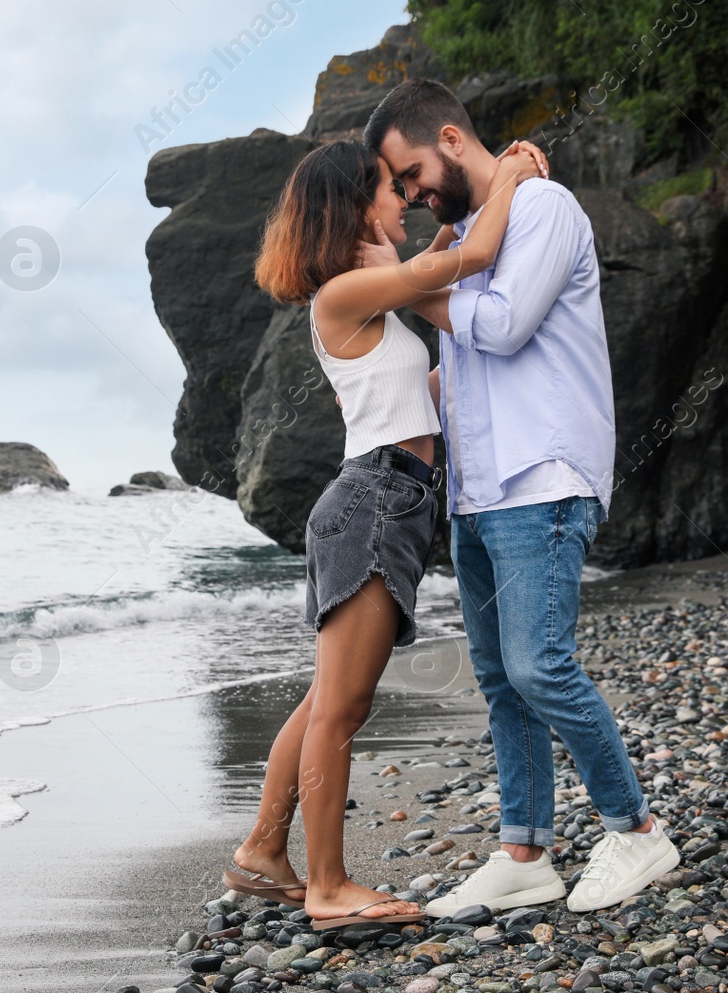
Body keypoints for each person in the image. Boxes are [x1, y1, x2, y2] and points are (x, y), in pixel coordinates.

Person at [356, 78, 681, 915]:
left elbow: (499, 326)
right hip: (478, 488)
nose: (415, 193)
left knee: (541, 663)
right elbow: (464, 365)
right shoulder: (471, 232)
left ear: (454, 140)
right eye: (402, 186)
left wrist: (402, 282)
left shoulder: (542, 207)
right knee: (501, 677)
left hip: (543, 477)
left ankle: (637, 830)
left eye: (416, 172)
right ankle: (524, 850)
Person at [223, 135, 548, 929]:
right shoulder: (343, 292)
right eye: (389, 188)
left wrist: (433, 242)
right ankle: (330, 888)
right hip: (374, 502)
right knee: (343, 706)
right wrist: (506, 179)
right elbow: (455, 268)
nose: (403, 198)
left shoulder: (362, 294)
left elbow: (417, 372)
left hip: (391, 501)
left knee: (326, 700)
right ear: (353, 205)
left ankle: (264, 851)